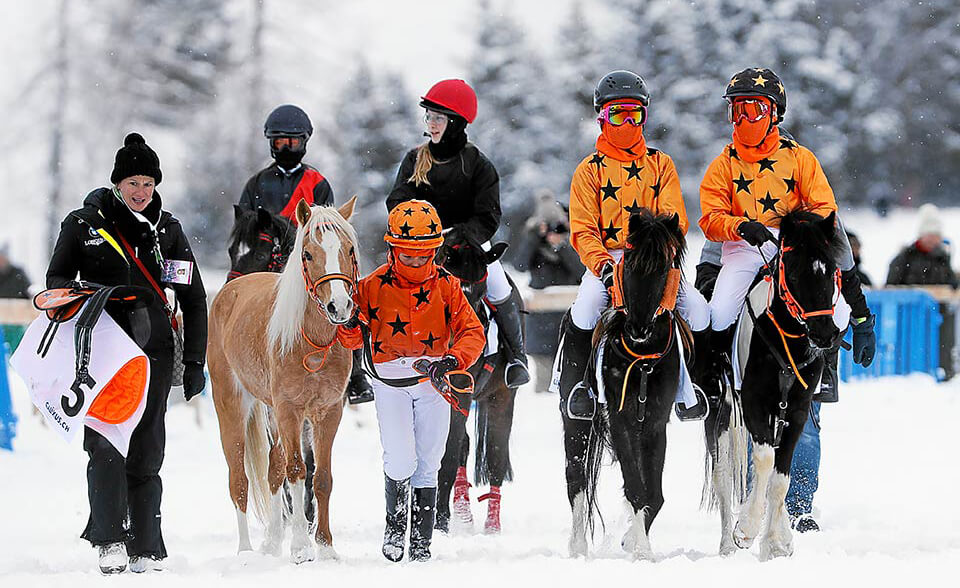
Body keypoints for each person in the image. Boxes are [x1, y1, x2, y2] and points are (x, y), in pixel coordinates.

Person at [697, 68, 878, 532]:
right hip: (743, 249)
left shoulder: (801, 160)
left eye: (751, 109)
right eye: (735, 108)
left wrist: (859, 315)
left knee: (827, 310)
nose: (742, 117)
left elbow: (827, 221)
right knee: (717, 315)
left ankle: (825, 367)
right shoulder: (723, 163)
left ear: (773, 113)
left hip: (795, 248)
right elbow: (710, 216)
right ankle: (710, 382)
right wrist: (740, 227)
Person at [46, 133, 207, 574]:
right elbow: (55, 281)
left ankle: (146, 544)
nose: (141, 192)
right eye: (133, 182)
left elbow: (193, 297)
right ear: (117, 183)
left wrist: (195, 360)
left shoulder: (167, 231)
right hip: (102, 352)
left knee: (148, 444)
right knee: (105, 443)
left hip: (153, 351)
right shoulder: (84, 224)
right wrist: (85, 293)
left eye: (148, 183)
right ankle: (109, 539)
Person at [552, 70, 711, 422]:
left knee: (699, 311)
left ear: (644, 116)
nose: (626, 122)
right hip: (607, 259)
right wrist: (602, 264)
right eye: (617, 114)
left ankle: (694, 388)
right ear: (601, 118)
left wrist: (659, 258)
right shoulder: (588, 170)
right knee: (587, 307)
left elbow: (675, 220)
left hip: (654, 262)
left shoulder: (660, 164)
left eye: (634, 114)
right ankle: (581, 387)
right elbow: (582, 229)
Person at [339, 200, 485, 562]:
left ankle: (421, 540)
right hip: (389, 381)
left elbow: (473, 332)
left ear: (436, 251)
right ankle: (394, 527)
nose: (418, 263)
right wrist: (347, 324)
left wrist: (453, 360)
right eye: (409, 257)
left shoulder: (449, 286)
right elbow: (352, 340)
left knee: (430, 460)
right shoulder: (370, 286)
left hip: (433, 380)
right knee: (401, 457)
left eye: (425, 256)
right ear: (392, 249)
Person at [387, 79, 530, 388]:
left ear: (456, 122)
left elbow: (489, 216)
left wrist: (459, 235)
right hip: (422, 246)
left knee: (499, 286)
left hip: (469, 246)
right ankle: (373, 358)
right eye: (429, 117)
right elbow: (396, 201)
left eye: (438, 117)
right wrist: (423, 229)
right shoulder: (414, 160)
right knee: (385, 286)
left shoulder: (479, 164)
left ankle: (516, 358)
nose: (431, 123)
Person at [239, 104, 373, 404]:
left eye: (293, 142)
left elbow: (327, 230)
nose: (286, 147)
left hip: (308, 262)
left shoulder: (318, 183)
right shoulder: (257, 183)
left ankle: (355, 376)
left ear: (304, 142)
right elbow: (243, 224)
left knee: (345, 299)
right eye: (279, 142)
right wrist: (264, 237)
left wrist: (296, 245)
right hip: (265, 256)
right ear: (270, 144)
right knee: (234, 288)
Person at [514, 189, 584, 289]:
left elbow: (582, 272)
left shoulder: (573, 240)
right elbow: (520, 266)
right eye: (548, 226)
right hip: (540, 297)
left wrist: (561, 246)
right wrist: (536, 237)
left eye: (557, 227)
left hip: (570, 294)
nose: (553, 231)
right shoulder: (534, 239)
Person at [886, 203, 958, 288]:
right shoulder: (905, 257)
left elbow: (952, 286)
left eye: (936, 236)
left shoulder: (942, 258)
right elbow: (890, 288)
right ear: (921, 235)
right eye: (930, 235)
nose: (933, 240)